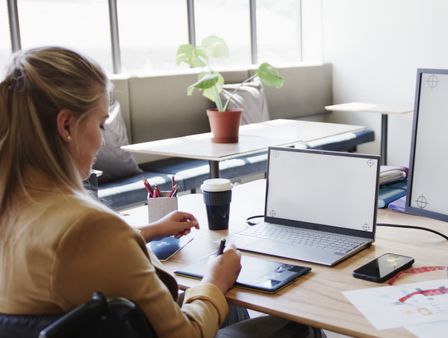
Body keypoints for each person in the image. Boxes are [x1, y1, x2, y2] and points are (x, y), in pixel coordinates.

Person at [0, 47, 321, 338]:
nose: (101, 140)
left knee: (232, 305)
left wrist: (148, 232)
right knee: (300, 326)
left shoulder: (15, 210)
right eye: (100, 125)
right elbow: (185, 334)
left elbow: (63, 256)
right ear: (66, 126)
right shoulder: (89, 225)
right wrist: (214, 282)